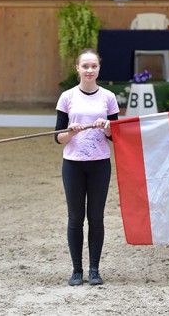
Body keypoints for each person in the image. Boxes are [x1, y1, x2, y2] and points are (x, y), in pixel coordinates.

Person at [55, 48, 119, 286]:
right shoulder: (67, 97)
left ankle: (94, 269)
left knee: (96, 218)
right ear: (78, 69)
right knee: (75, 218)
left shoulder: (108, 97)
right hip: (73, 165)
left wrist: (106, 127)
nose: (89, 70)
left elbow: (116, 136)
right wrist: (70, 132)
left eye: (93, 66)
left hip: (100, 165)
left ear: (99, 68)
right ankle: (76, 270)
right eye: (85, 66)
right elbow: (57, 137)